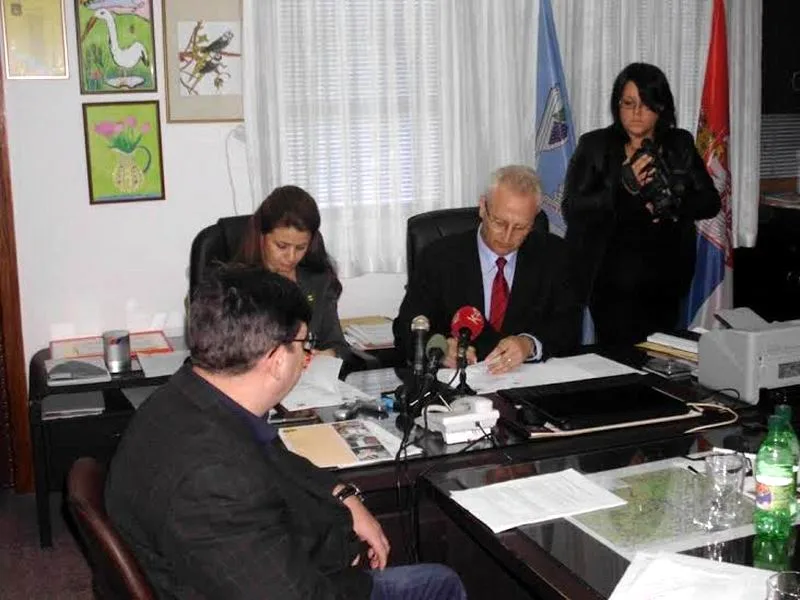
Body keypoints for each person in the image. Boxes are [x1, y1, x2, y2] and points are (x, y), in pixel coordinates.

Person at [105, 265, 467, 600]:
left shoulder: (188, 395)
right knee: (439, 584)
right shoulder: (214, 480)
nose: (307, 358)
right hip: (271, 582)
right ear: (278, 360)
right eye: (305, 346)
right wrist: (344, 561)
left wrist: (341, 494)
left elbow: (273, 455)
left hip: (236, 563)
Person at [563, 62, 721, 345]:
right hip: (610, 278)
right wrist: (622, 188)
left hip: (666, 277)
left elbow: (710, 202)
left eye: (646, 104)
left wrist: (674, 202)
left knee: (661, 355)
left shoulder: (679, 143)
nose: (636, 112)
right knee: (616, 358)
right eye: (628, 103)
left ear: (661, 108)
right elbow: (573, 208)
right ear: (617, 105)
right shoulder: (595, 145)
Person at [394, 165, 581, 374]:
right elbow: (406, 328)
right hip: (458, 383)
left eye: (520, 227)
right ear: (483, 207)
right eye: (499, 222)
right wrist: (439, 348)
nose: (507, 236)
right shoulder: (439, 257)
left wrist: (529, 345)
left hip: (526, 381)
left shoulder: (555, 255)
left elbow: (568, 328)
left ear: (534, 218)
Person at [237, 185, 349, 358]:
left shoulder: (319, 282)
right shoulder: (236, 286)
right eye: (281, 246)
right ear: (261, 236)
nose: (291, 257)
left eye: (300, 247)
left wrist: (324, 355)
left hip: (309, 374)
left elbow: (338, 345)